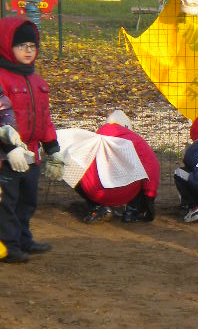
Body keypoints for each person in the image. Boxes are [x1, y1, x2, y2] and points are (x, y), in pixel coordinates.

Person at [0, 18, 64, 262]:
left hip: (32, 155)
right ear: (7, 46)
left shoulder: (36, 80)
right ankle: (8, 246)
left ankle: (24, 238)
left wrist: (53, 149)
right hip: (7, 157)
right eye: (21, 45)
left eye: (32, 46)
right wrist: (9, 147)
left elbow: (44, 118)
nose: (28, 50)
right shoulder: (2, 78)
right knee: (7, 203)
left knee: (27, 201)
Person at [57, 110, 160, 224]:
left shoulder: (94, 138)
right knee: (144, 172)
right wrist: (149, 199)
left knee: (74, 170)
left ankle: (97, 207)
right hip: (125, 192)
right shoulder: (136, 141)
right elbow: (153, 167)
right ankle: (133, 210)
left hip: (95, 192)